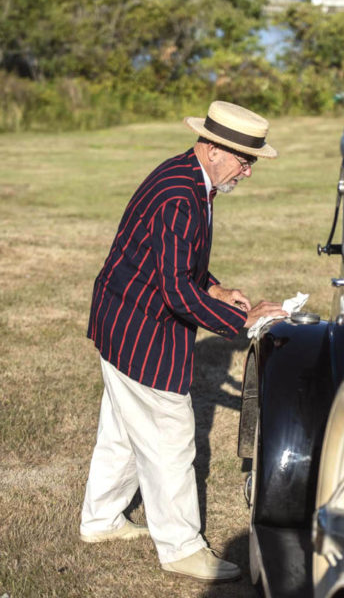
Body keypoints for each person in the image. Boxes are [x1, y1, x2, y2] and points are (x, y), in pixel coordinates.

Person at [79, 101, 287, 582]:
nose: (248, 171)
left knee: (122, 431)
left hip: (122, 318)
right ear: (212, 147)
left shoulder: (190, 178)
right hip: (141, 328)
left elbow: (177, 261)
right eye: (244, 159)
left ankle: (101, 519)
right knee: (170, 435)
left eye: (252, 160)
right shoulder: (182, 194)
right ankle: (180, 547)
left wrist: (213, 287)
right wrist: (244, 322)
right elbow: (174, 289)